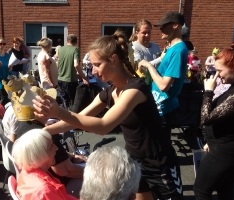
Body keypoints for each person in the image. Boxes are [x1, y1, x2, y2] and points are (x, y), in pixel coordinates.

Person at [33, 30, 183, 200]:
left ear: (113, 60)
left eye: (97, 64)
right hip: (134, 161)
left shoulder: (135, 89)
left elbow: (104, 126)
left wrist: (59, 112)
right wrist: (42, 132)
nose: (94, 71)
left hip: (159, 162)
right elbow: (77, 119)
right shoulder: (110, 92)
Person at [193, 42, 234, 200]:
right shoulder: (232, 88)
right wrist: (210, 141)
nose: (217, 76)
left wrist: (208, 92)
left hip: (224, 151)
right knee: (225, 190)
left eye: (220, 71)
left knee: (201, 190)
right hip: (221, 147)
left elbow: (206, 118)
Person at [139, 11, 188, 142]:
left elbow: (163, 86)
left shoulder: (178, 50)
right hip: (160, 105)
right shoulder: (172, 48)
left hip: (164, 108)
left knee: (160, 147)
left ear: (175, 25)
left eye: (164, 26)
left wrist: (149, 66)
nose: (160, 29)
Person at [12, 129, 78, 200]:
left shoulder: (26, 172)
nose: (56, 148)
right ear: (38, 156)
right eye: (51, 147)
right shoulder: (44, 191)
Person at [57, 34, 89, 108]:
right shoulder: (76, 49)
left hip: (60, 79)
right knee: (72, 103)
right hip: (70, 81)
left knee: (63, 102)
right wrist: (83, 77)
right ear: (76, 42)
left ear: (66, 41)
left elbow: (63, 63)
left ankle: (63, 118)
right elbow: (76, 65)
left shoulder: (60, 49)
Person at [133, 19, 163, 86]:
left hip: (157, 84)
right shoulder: (133, 47)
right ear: (137, 33)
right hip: (141, 86)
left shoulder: (155, 46)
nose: (147, 35)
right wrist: (160, 59)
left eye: (149, 32)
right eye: (144, 33)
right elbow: (141, 68)